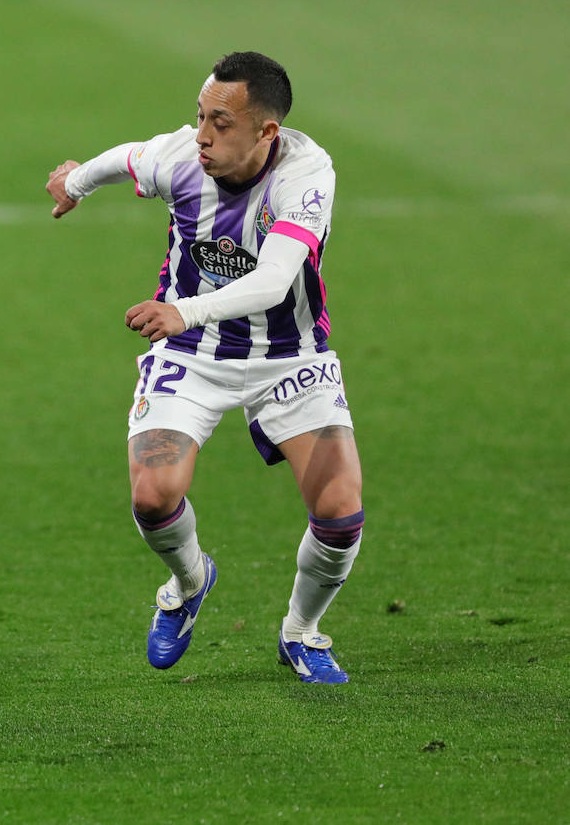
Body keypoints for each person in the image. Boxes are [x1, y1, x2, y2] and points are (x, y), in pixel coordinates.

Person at [44, 51, 364, 684]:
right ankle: (190, 581)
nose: (203, 135)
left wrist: (183, 310)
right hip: (193, 354)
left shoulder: (304, 175)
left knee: (339, 510)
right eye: (199, 117)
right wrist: (76, 183)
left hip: (286, 355)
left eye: (221, 122)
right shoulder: (182, 157)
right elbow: (130, 156)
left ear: (266, 131)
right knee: (153, 494)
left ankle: (301, 632)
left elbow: (275, 280)